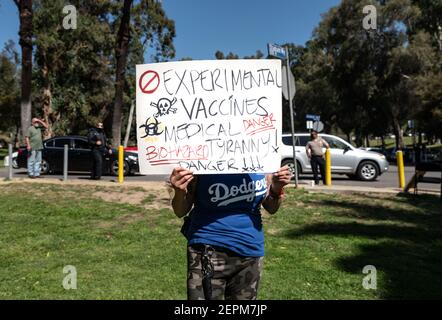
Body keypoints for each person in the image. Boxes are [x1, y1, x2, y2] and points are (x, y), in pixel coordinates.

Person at [170, 166, 292, 300]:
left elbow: (271, 208)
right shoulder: (201, 160)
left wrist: (276, 189)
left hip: (250, 253)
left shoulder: (261, 158)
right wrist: (179, 190)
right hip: (207, 251)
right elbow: (180, 211)